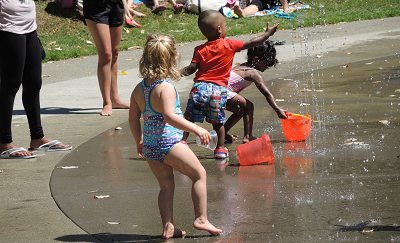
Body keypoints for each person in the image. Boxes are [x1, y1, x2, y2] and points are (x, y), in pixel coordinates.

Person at [129, 34, 222, 239]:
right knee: (199, 175)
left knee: (166, 186)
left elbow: (132, 120)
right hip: (169, 143)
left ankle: (168, 227)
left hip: (151, 146)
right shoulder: (165, 88)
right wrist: (197, 129)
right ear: (171, 59)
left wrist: (139, 140)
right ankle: (201, 218)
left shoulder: (139, 89)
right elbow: (169, 117)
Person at [180, 10, 279, 159]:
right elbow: (252, 43)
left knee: (189, 118)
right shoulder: (229, 44)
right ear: (220, 29)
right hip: (218, 90)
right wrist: (267, 35)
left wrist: (179, 72)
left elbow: (192, 69)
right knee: (217, 122)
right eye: (225, 25)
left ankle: (182, 142)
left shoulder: (199, 49)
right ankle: (219, 149)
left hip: (199, 87)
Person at [0, 0, 71, 159]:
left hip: (29, 28)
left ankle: (37, 138)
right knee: (10, 85)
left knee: (34, 83)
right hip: (8, 29)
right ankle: (4, 142)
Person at [224, 40, 287, 144]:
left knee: (240, 111)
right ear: (256, 59)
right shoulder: (253, 73)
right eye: (267, 62)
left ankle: (222, 133)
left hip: (215, 92)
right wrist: (277, 109)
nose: (268, 66)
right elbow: (266, 93)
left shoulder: (240, 67)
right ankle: (248, 137)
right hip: (221, 93)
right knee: (249, 106)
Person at [83, 0, 131, 116]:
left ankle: (115, 99)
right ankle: (107, 102)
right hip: (96, 6)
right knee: (106, 55)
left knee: (114, 54)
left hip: (116, 4)